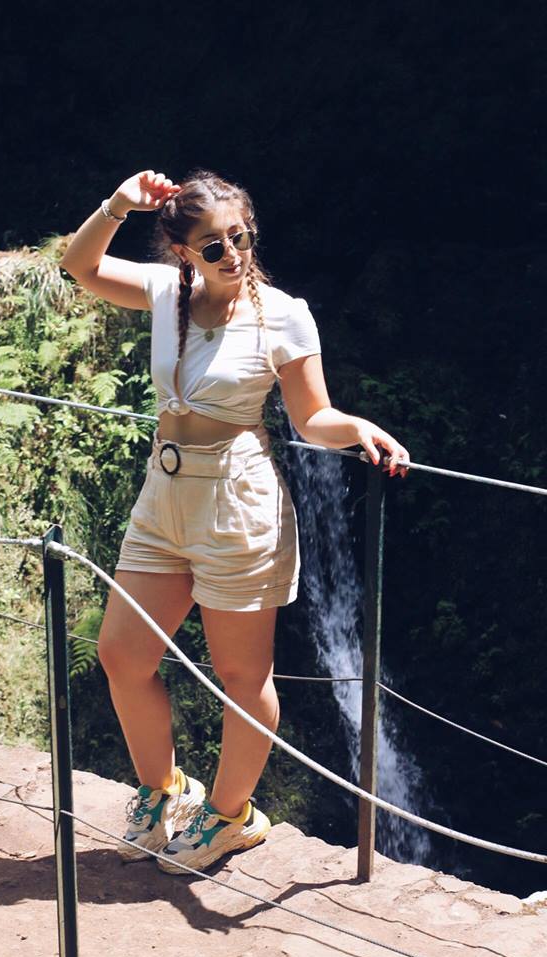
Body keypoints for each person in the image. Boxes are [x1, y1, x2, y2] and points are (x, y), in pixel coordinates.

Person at [60, 169, 410, 874]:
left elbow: (312, 416)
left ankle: (230, 816)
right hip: (163, 496)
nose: (233, 254)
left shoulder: (283, 314)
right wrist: (119, 204)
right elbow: (81, 266)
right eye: (214, 245)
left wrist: (357, 429)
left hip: (238, 502)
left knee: (241, 676)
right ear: (184, 251)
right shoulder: (168, 293)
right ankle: (163, 792)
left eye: (240, 238)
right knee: (122, 655)